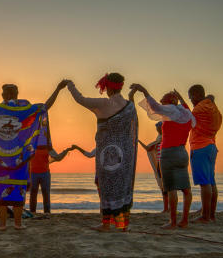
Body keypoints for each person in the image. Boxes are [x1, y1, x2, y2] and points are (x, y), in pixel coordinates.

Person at [0, 80, 68, 230]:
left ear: (3, 95)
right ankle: (18, 224)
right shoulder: (24, 111)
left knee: (1, 191)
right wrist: (58, 89)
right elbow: (46, 106)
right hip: (19, 159)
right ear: (16, 95)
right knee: (18, 191)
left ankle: (2, 224)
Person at [66, 73, 138, 232]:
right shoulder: (130, 106)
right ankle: (123, 225)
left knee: (104, 185)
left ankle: (106, 224)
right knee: (122, 187)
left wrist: (70, 85)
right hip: (125, 156)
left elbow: (81, 99)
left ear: (109, 87)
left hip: (107, 156)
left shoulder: (105, 104)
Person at [130, 84, 196, 229]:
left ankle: (172, 222)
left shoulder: (171, 110)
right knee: (186, 189)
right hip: (182, 153)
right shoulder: (186, 113)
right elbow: (187, 109)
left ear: (168, 103)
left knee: (171, 188)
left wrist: (144, 90)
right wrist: (181, 99)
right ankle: (184, 220)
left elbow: (155, 107)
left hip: (169, 154)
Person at [186, 85, 222, 223]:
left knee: (204, 183)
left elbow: (188, 117)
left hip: (200, 147)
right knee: (211, 182)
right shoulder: (212, 107)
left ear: (196, 94)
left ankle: (205, 217)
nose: (191, 100)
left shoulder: (199, 108)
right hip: (211, 146)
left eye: (191, 97)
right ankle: (211, 215)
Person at [29, 114, 74, 215]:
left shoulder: (47, 147)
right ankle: (32, 212)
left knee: (46, 194)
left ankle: (47, 213)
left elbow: (57, 158)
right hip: (33, 173)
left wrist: (66, 150)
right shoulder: (32, 146)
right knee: (33, 194)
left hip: (45, 173)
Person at [138, 122, 169, 213]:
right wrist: (139, 141)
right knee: (163, 187)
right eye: (157, 128)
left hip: (167, 163)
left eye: (158, 128)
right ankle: (166, 208)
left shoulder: (166, 137)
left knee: (169, 186)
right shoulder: (158, 139)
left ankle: (170, 208)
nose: (157, 130)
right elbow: (148, 148)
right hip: (160, 164)